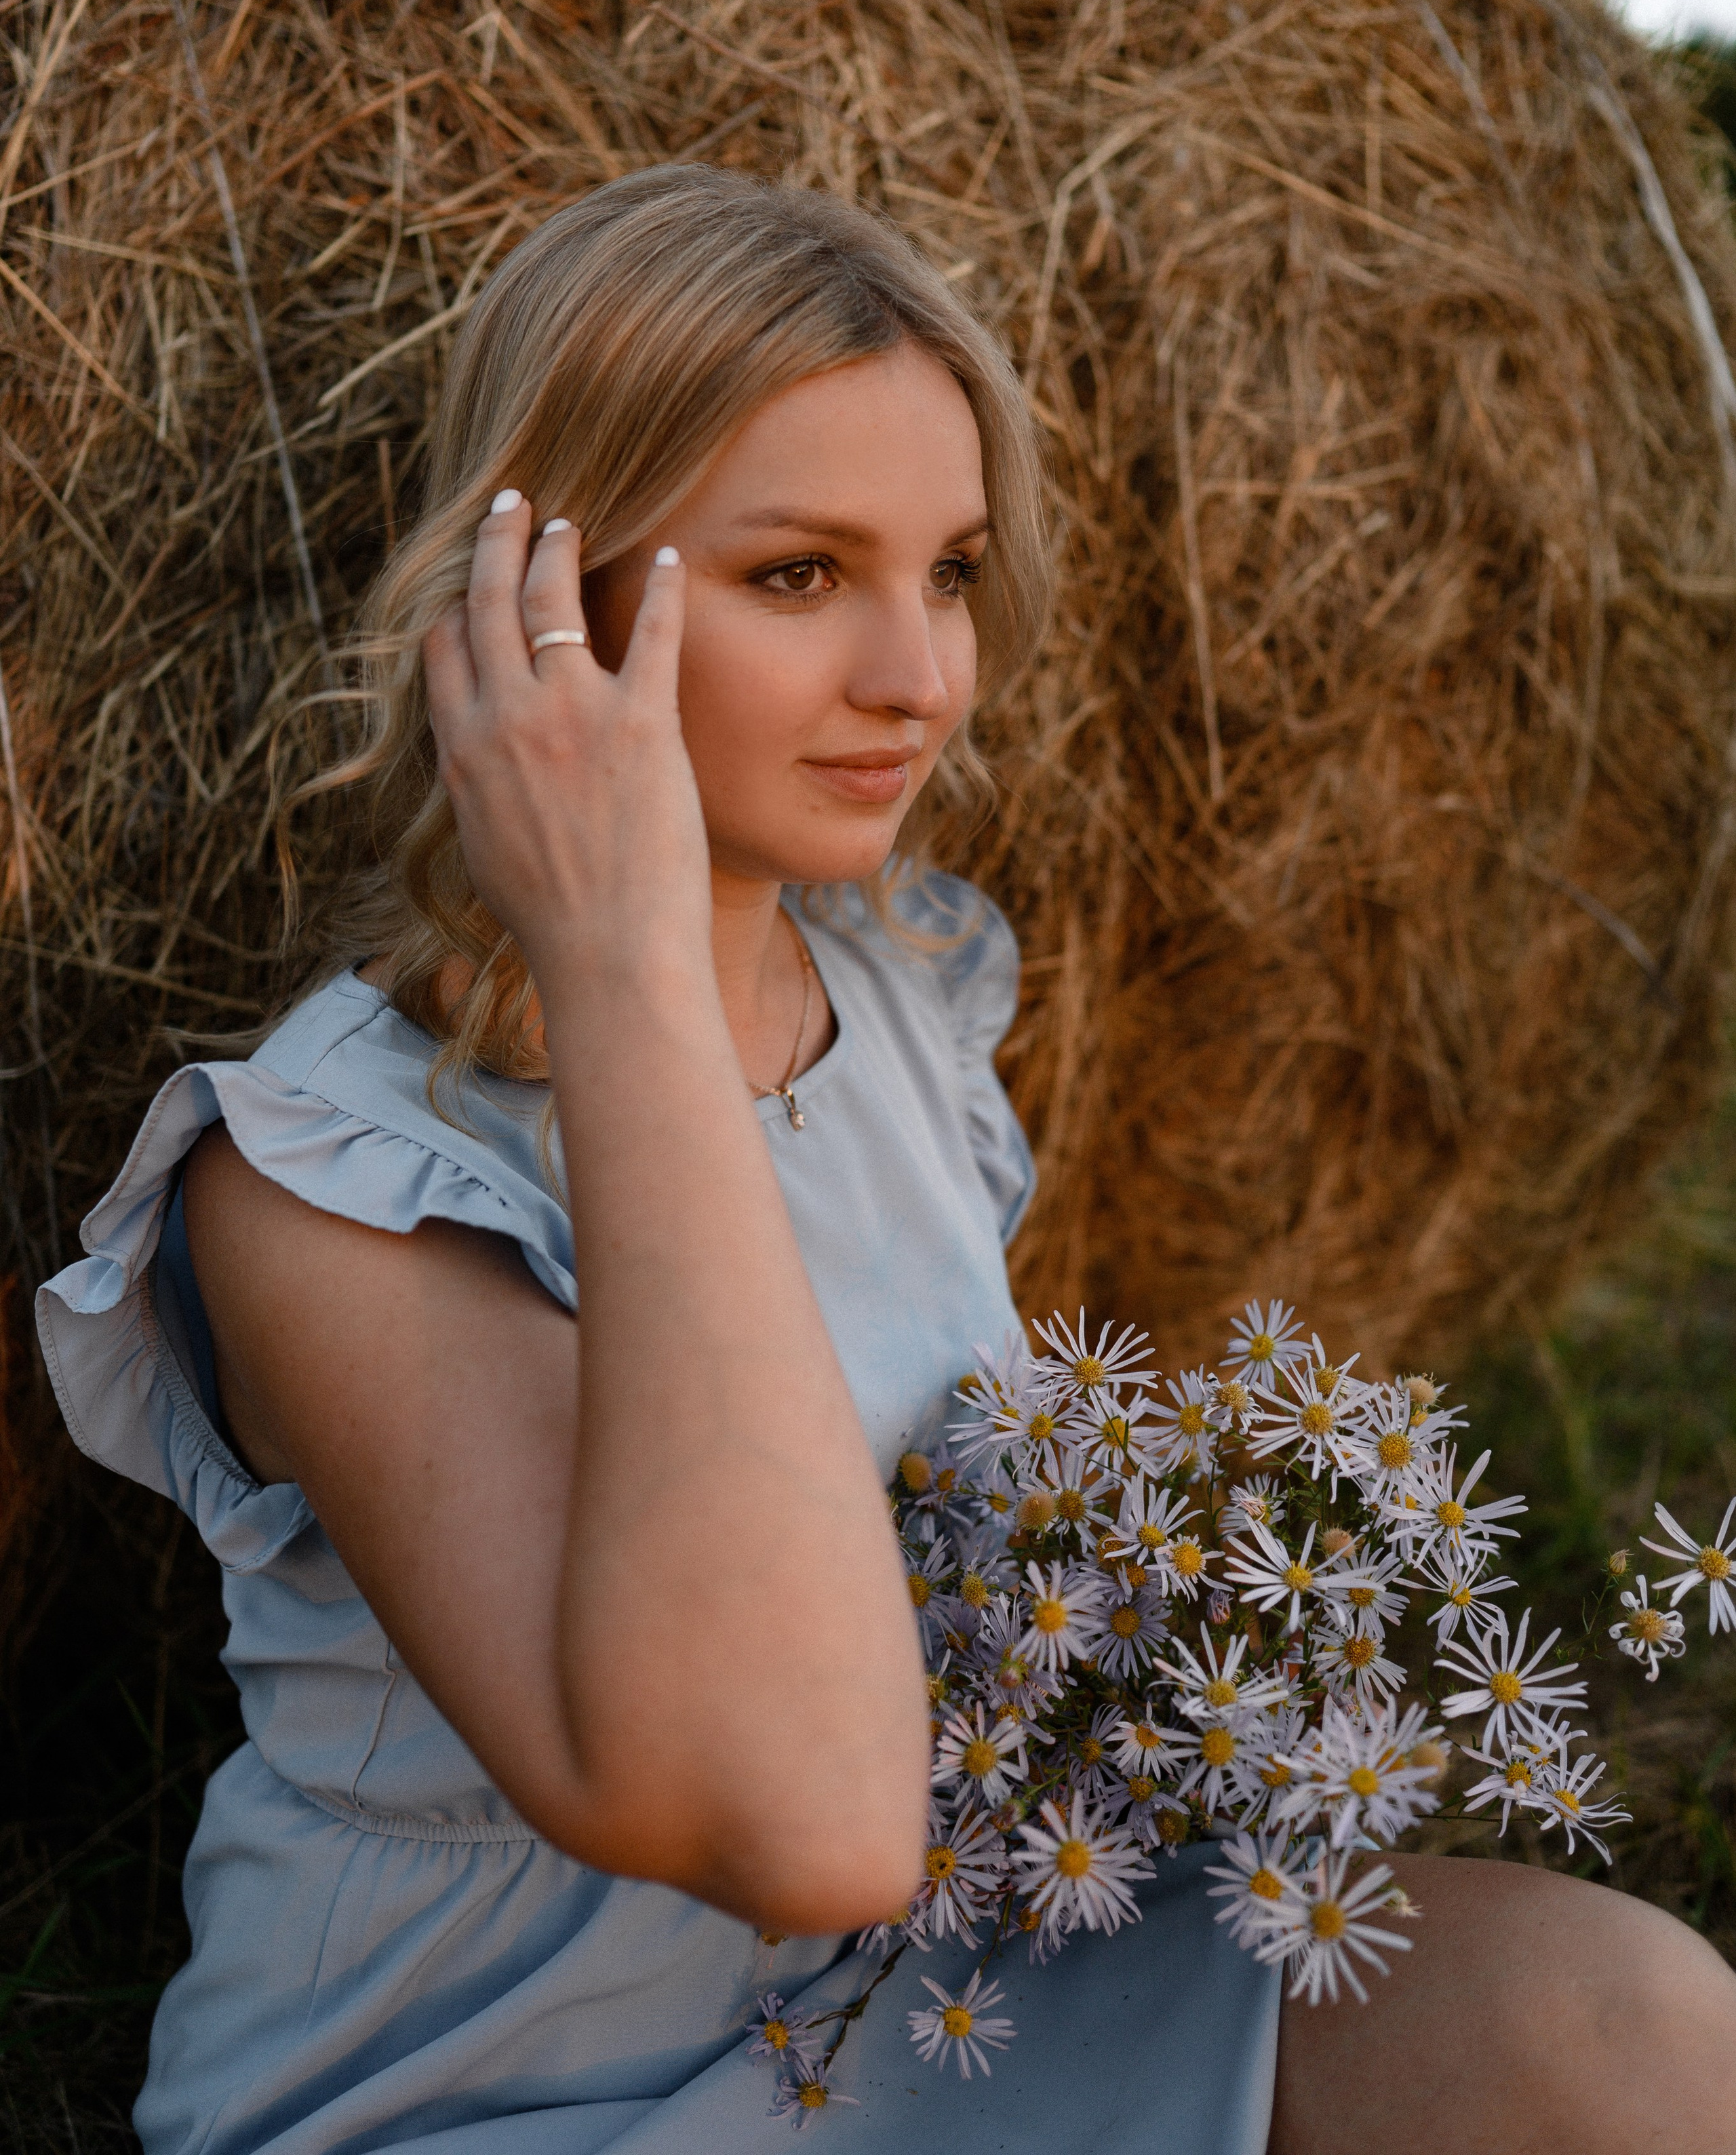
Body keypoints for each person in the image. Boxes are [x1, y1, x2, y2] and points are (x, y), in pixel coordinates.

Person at [37, 167, 1736, 2155]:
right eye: (796, 575)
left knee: (1630, 2024)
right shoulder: (324, 1188)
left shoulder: (904, 994)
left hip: (931, 2012)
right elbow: (810, 1824)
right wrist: (621, 957)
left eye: (948, 570)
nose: (921, 676)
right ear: (541, 602)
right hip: (502, 2107)